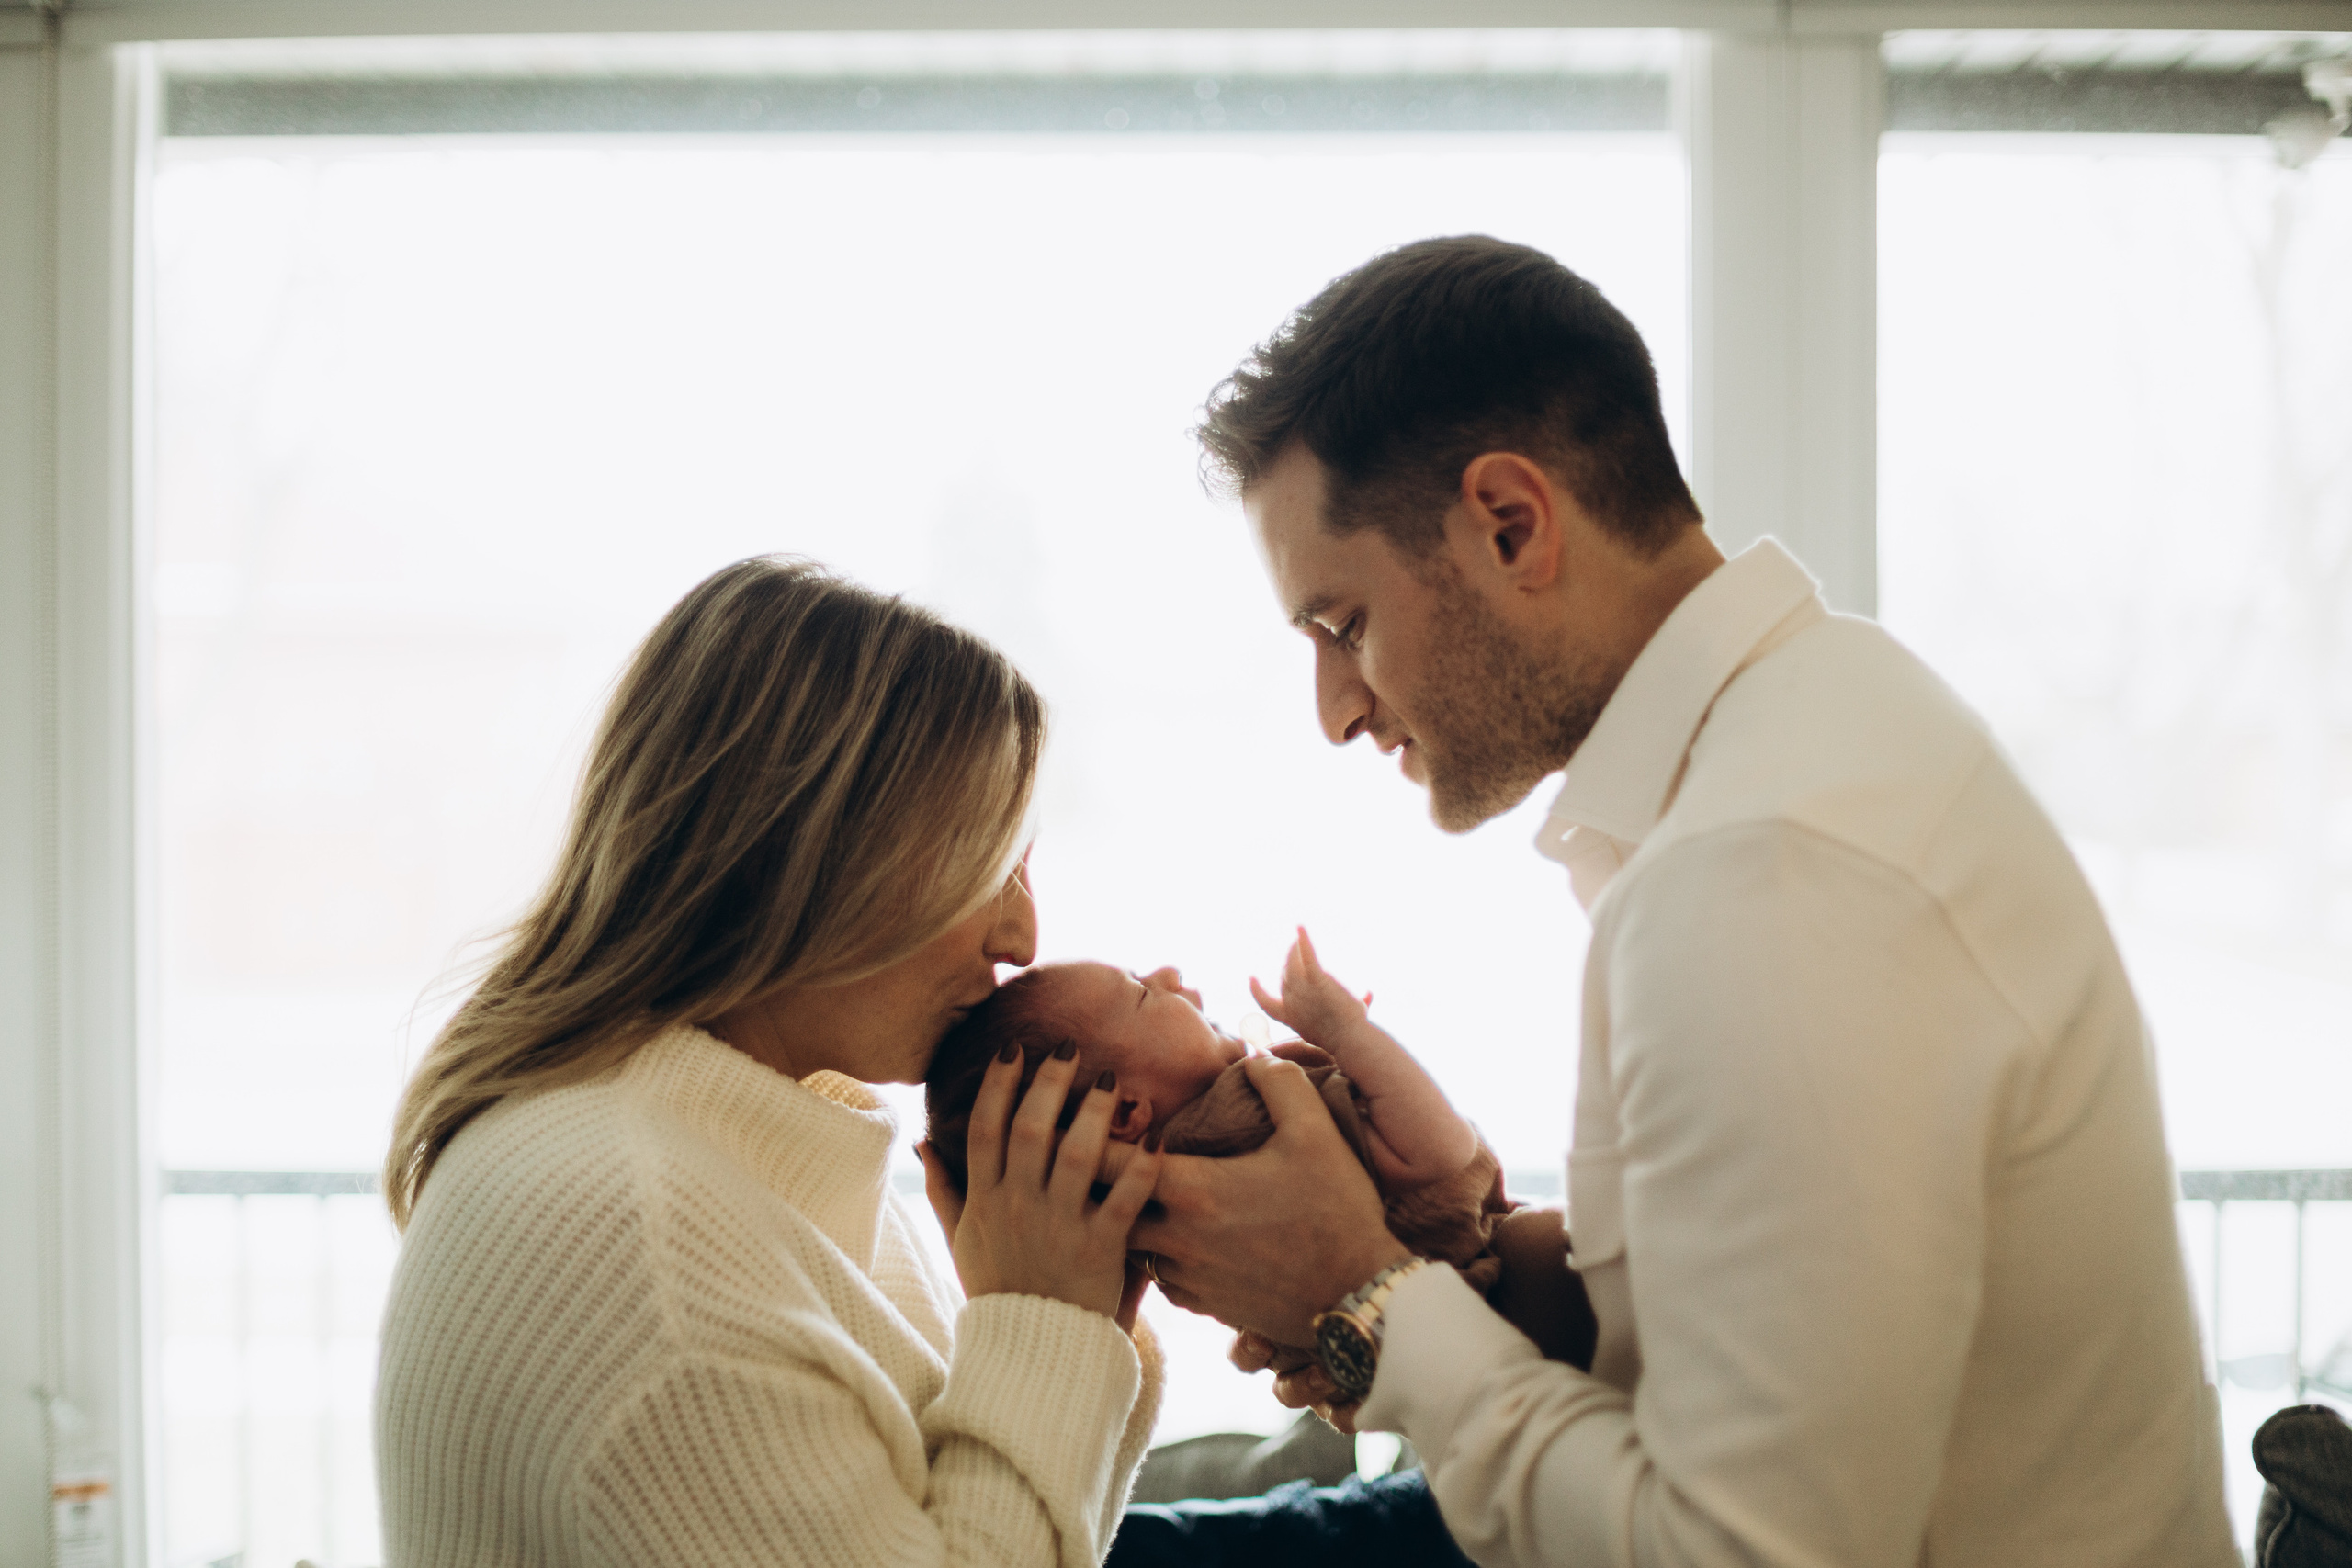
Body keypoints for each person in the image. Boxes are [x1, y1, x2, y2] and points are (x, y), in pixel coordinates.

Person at [1123, 235, 2236, 1567]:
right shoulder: (1818, 732)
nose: (1336, 710)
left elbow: (1743, 1549)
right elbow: (1770, 1335)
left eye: (1343, 624)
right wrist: (1469, 1247)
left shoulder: (1766, 871)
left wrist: (1367, 1294)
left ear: (1511, 522)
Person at [375, 557, 1164, 1568]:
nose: (1022, 934)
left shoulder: (758, 1158)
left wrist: (1079, 1313)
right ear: (817, 850)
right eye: (989, 859)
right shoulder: (641, 1243)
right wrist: (1041, 1321)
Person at [921, 935, 1598, 1382]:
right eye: (1139, 991)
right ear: (1124, 1111)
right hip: (1530, 1271)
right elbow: (1441, 1154)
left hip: (1471, 1364)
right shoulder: (1254, 1107)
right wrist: (1348, 1035)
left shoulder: (1159, 1227)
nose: (1168, 974)